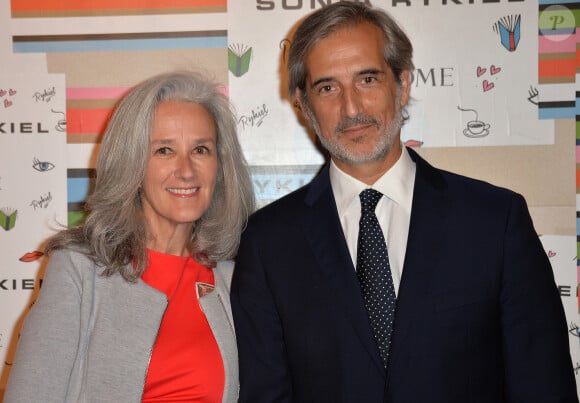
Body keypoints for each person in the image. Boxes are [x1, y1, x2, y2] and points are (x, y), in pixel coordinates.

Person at [230, 2, 578, 402]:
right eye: (327, 87)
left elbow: (544, 388)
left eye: (368, 79)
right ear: (303, 104)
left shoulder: (494, 221)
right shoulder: (269, 242)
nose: (351, 108)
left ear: (403, 84)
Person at [5, 70, 255, 402]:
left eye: (201, 150)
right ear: (132, 164)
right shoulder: (79, 270)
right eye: (164, 150)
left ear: (220, 166)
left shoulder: (234, 277)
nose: (186, 170)